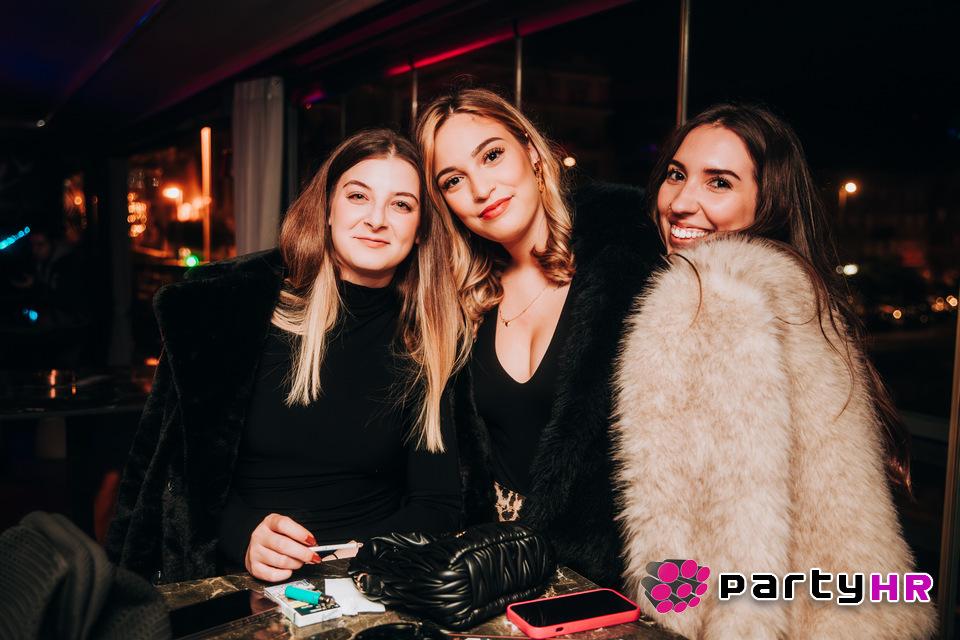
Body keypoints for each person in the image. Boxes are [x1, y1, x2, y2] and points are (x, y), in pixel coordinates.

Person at [613, 104, 937, 639]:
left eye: (719, 182)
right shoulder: (797, 290)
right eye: (675, 174)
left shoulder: (708, 296)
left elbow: (731, 536)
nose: (680, 202)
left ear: (770, 201)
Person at [106, 129, 468, 584]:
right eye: (358, 196)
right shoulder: (241, 315)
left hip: (373, 584)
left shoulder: (429, 338)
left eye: (401, 204)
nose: (377, 219)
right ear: (328, 211)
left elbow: (439, 503)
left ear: (419, 231)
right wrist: (243, 536)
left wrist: (374, 550)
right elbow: (182, 471)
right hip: (242, 580)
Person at [415, 87, 664, 588]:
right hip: (497, 567)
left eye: (491, 155)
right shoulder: (461, 299)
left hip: (613, 571)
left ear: (531, 150)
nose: (481, 188)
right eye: (453, 180)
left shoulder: (630, 263)